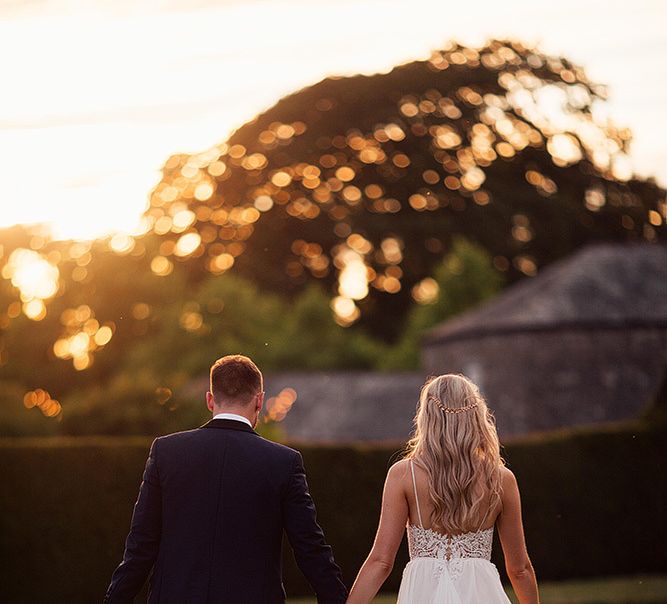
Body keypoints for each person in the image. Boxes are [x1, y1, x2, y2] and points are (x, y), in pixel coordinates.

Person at [104, 354, 348, 604]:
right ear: (259, 401)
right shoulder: (283, 462)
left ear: (210, 399)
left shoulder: (166, 452)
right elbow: (310, 549)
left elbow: (140, 547)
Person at [346, 373, 539, 604]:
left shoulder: (403, 475)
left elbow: (381, 562)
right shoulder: (501, 478)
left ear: (426, 417)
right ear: (477, 414)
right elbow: (520, 569)